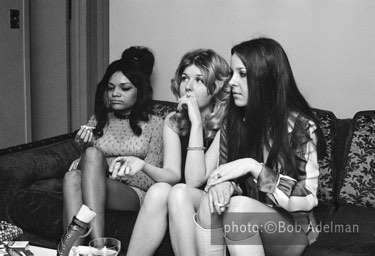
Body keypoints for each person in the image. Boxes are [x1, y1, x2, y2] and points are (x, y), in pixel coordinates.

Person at [194, 37, 325, 256]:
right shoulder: (233, 121)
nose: (232, 82)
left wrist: (254, 167)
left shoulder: (300, 126)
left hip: (291, 229)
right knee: (211, 203)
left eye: (242, 74)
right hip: (247, 220)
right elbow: (226, 176)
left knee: (237, 209)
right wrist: (225, 186)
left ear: (265, 79)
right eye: (233, 73)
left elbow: (308, 197)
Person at [122, 49, 231, 256]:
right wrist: (143, 165)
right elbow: (173, 174)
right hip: (181, 196)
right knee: (159, 191)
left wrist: (197, 122)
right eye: (184, 78)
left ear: (216, 87)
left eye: (199, 80)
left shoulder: (227, 125)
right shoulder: (173, 120)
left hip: (215, 201)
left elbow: (194, 180)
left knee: (179, 192)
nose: (188, 86)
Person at [62, 46, 164, 245]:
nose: (115, 94)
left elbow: (153, 181)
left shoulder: (155, 124)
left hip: (132, 193)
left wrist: (111, 169)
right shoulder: (97, 120)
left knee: (92, 156)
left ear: (139, 91)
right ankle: (74, 250)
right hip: (96, 187)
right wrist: (83, 150)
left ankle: (99, 245)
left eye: (125, 88)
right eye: (111, 88)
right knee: (73, 175)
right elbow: (80, 169)